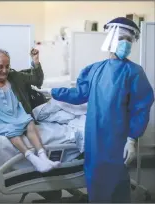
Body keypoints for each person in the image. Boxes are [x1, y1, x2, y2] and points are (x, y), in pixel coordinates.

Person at [32, 17, 154, 202]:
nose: (125, 43)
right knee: (95, 177)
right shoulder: (94, 70)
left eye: (129, 40)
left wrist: (131, 139)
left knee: (116, 179)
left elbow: (141, 107)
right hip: (94, 134)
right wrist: (53, 91)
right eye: (122, 38)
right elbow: (79, 94)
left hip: (117, 136)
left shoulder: (134, 72)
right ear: (111, 40)